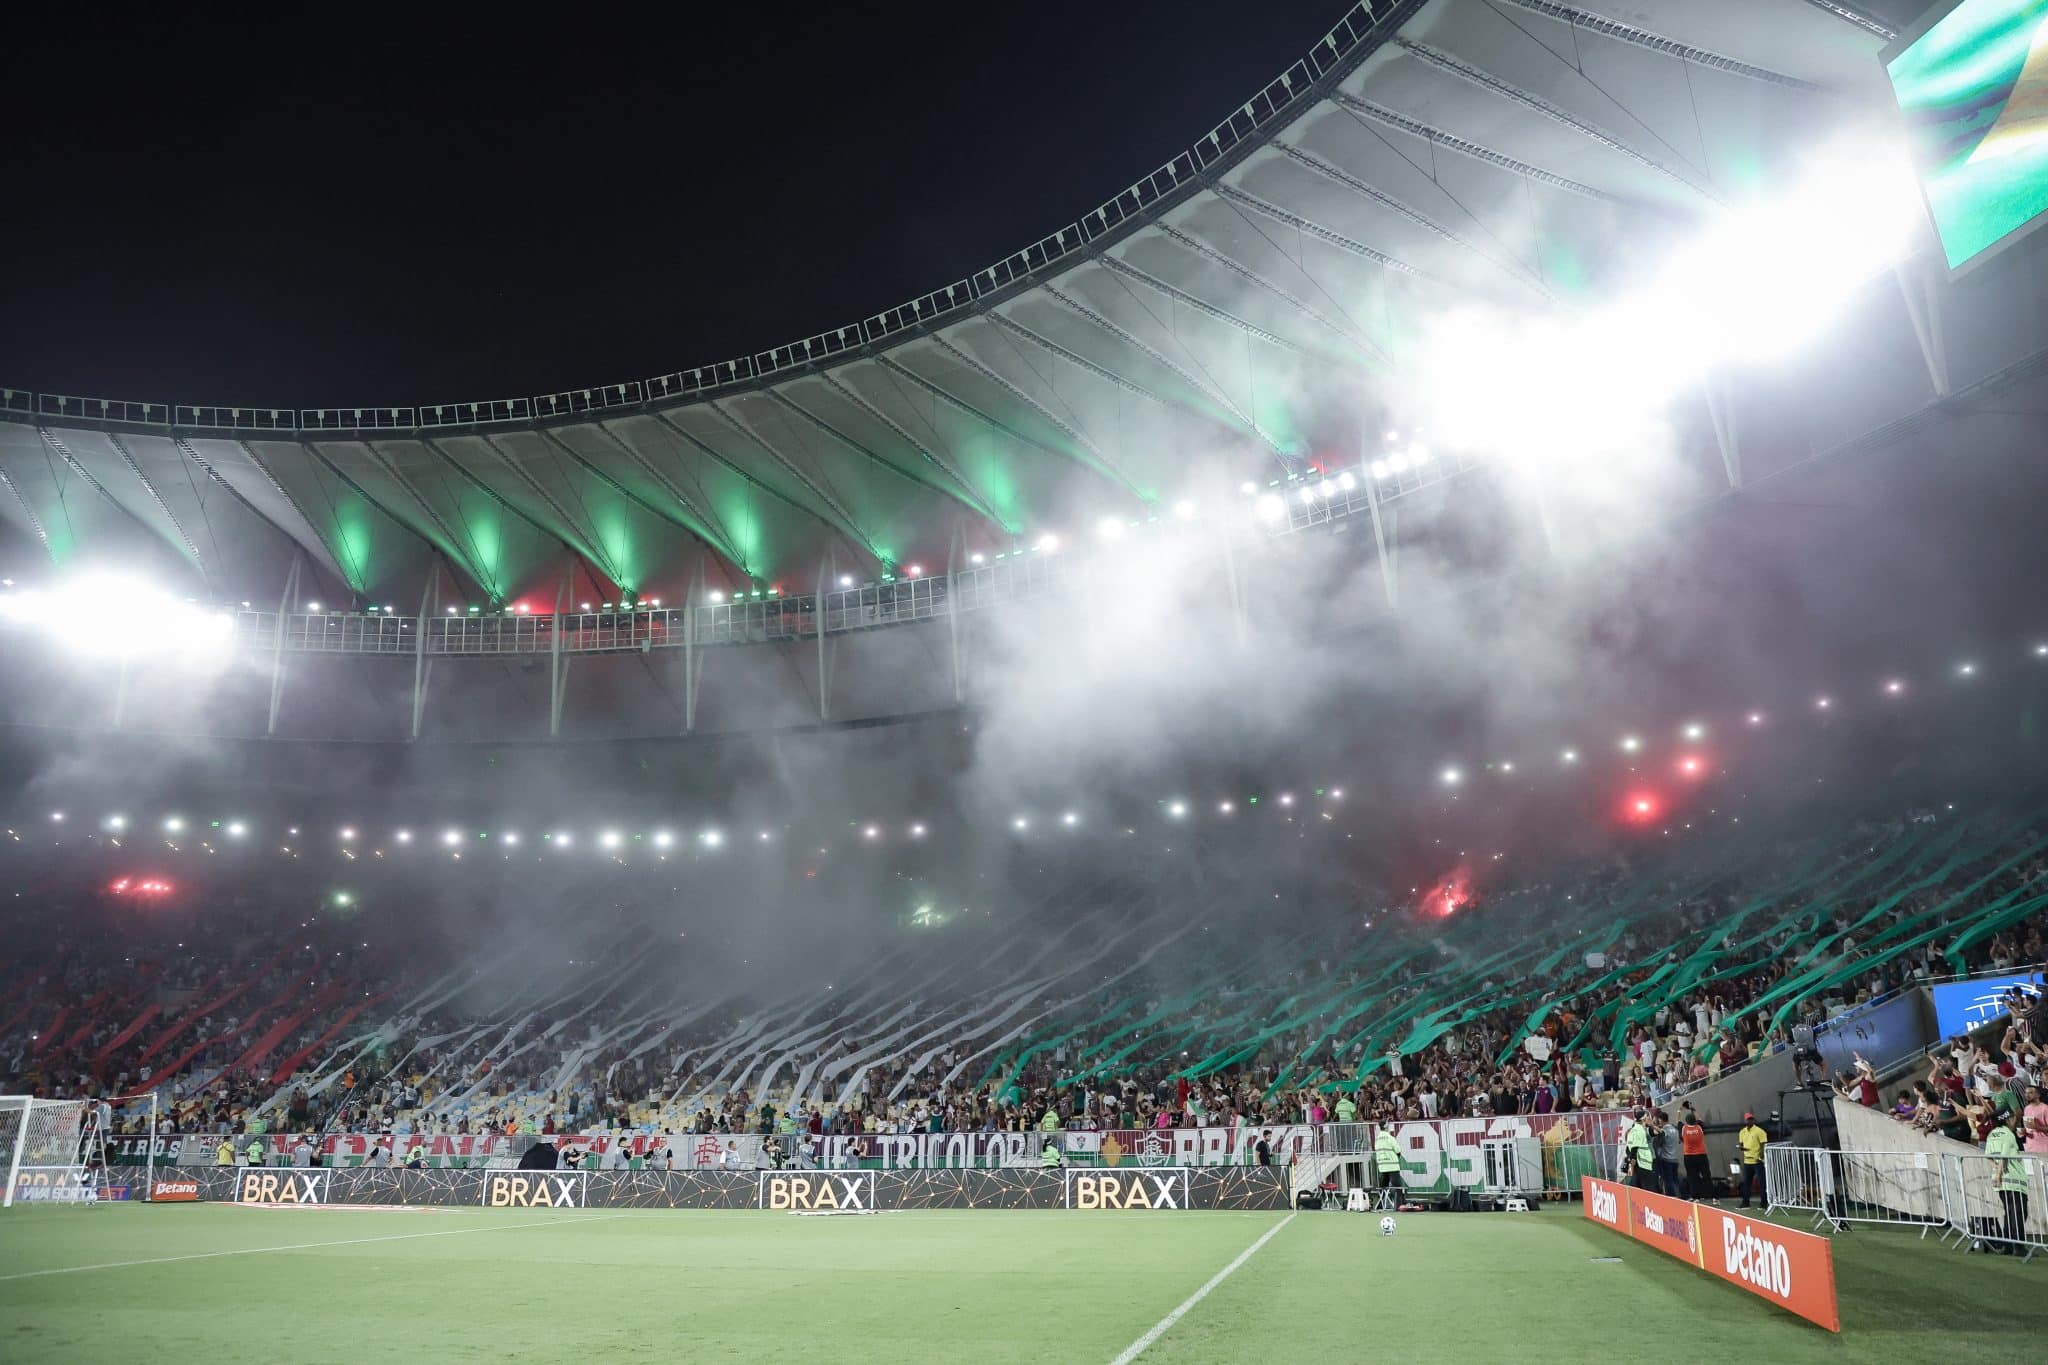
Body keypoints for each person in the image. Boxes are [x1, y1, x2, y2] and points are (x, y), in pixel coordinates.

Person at [1983, 1108, 2029, 1253]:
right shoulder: (2008, 1135)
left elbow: (1988, 1156)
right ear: (2007, 1119)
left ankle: (2007, 1246)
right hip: (2014, 1179)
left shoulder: (1992, 1134)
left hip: (2001, 1182)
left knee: (2009, 1213)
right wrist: (2000, 1174)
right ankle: (2019, 1247)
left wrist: (1997, 1171)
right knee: (2019, 1214)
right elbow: (2005, 1156)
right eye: (2012, 1118)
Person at [1735, 1111, 1769, 1208]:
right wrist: (1741, 1147)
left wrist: (1761, 1157)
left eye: (1751, 1119)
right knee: (1746, 1183)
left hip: (1757, 1161)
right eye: (1748, 1119)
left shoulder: (1759, 1131)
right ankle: (1746, 1203)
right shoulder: (1742, 1132)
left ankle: (1764, 1203)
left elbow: (1763, 1145)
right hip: (1747, 1161)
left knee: (1762, 1183)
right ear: (1745, 1121)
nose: (1750, 1121)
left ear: (1753, 1120)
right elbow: (1741, 1144)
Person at [1679, 1104, 1711, 1200]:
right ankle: (1712, 1196)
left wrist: (1679, 1110)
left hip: (1689, 1156)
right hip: (1701, 1155)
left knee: (1693, 1177)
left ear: (1687, 1121)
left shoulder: (1684, 1129)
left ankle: (1695, 1197)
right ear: (1695, 1121)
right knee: (1706, 1175)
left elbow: (1678, 1121)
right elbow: (1699, 1118)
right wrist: (1694, 1109)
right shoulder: (1699, 1127)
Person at [1651, 1109, 1683, 1198]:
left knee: (1668, 1180)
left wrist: (1651, 1125)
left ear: (1660, 1120)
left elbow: (1661, 1133)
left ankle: (1672, 1198)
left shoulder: (1665, 1130)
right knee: (1675, 1180)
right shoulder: (1675, 1129)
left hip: (1666, 1160)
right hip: (1675, 1159)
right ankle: (1679, 1196)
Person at [1623, 1109, 1656, 1191]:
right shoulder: (1639, 1130)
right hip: (1642, 1161)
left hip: (1646, 1159)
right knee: (1642, 1183)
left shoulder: (1644, 1129)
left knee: (1641, 1183)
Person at [1372, 1125, 1402, 1196]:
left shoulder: (1377, 1139)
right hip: (1392, 1165)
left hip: (1382, 1165)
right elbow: (1398, 1150)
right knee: (1397, 1185)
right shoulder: (1390, 1138)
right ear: (1386, 1128)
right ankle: (1399, 1202)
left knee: (1383, 1186)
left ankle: (1382, 1202)